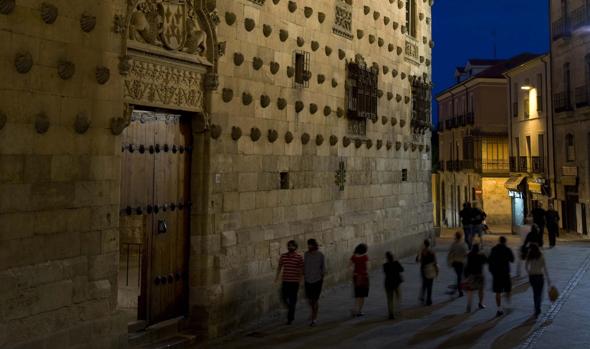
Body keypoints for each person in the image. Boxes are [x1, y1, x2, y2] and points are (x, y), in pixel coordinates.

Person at [275, 240, 304, 325]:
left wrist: (300, 279)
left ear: (295, 247)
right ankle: (290, 308)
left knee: (292, 299)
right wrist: (277, 277)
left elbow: (302, 269)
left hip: (294, 282)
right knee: (283, 297)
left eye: (292, 246)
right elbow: (279, 266)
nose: (290, 247)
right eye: (289, 246)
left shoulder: (299, 257)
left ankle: (290, 318)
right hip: (286, 281)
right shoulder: (283, 256)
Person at [488, 236, 515, 317]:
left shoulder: (494, 249)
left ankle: (499, 309)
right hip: (505, 273)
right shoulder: (507, 249)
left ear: (499, 241)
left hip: (496, 274)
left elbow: (489, 260)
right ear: (505, 241)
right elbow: (512, 260)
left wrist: (492, 271)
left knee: (498, 292)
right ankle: (508, 305)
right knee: (508, 290)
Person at [525, 243, 551, 318]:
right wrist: (548, 278)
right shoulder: (541, 255)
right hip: (539, 276)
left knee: (535, 293)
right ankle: (537, 308)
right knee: (539, 294)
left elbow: (526, 266)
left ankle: (536, 308)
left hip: (532, 277)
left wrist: (529, 272)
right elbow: (545, 268)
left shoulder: (530, 255)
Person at [304, 239, 325, 326]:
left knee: (315, 300)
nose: (309, 246)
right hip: (308, 280)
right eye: (308, 245)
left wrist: (321, 277)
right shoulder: (306, 254)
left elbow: (323, 268)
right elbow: (305, 266)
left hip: (317, 280)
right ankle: (312, 312)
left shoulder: (320, 255)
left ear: (314, 245)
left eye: (311, 245)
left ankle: (314, 318)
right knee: (309, 300)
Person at [464, 243, 488, 313]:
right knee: (481, 290)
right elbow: (487, 261)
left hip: (471, 275)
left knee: (470, 290)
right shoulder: (481, 255)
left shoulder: (469, 255)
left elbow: (466, 264)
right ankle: (480, 303)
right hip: (479, 275)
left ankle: (469, 304)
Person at [349, 243, 369, 317]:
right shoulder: (365, 257)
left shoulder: (353, 257)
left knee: (357, 295)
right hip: (364, 277)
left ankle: (354, 309)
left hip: (356, 277)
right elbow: (367, 267)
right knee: (362, 295)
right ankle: (359, 311)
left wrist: (354, 273)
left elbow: (350, 266)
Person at [416, 239, 438, 306]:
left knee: (424, 283)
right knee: (430, 285)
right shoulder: (432, 252)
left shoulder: (422, 251)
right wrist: (436, 270)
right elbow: (435, 262)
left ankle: (422, 296)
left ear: (424, 244)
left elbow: (418, 260)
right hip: (430, 268)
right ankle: (429, 300)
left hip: (423, 269)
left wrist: (418, 254)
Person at [383, 251, 404, 319]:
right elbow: (402, 269)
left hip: (388, 283)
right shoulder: (396, 263)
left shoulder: (385, 265)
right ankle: (397, 310)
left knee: (389, 299)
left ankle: (391, 313)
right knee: (398, 296)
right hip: (396, 283)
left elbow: (385, 272)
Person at [447, 231, 468, 297]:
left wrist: (449, 262)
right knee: (460, 276)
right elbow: (466, 253)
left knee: (459, 276)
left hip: (455, 262)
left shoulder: (454, 244)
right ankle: (459, 290)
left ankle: (457, 289)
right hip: (461, 262)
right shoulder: (464, 244)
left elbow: (450, 253)